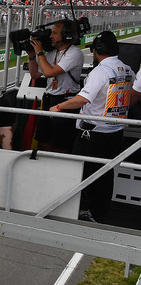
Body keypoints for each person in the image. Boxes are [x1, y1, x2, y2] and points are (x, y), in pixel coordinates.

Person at [50, 31, 134, 222]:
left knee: (81, 172)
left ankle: (79, 210)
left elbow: (83, 99)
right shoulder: (128, 69)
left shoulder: (100, 71)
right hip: (114, 130)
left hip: (92, 132)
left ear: (97, 51)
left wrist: (59, 106)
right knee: (105, 173)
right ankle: (99, 212)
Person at [27, 19, 84, 152]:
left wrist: (39, 53)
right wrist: (31, 56)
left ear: (66, 36)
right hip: (49, 100)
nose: (50, 36)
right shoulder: (52, 53)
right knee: (44, 141)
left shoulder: (74, 53)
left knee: (61, 144)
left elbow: (49, 73)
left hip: (65, 102)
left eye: (54, 33)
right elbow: (35, 75)